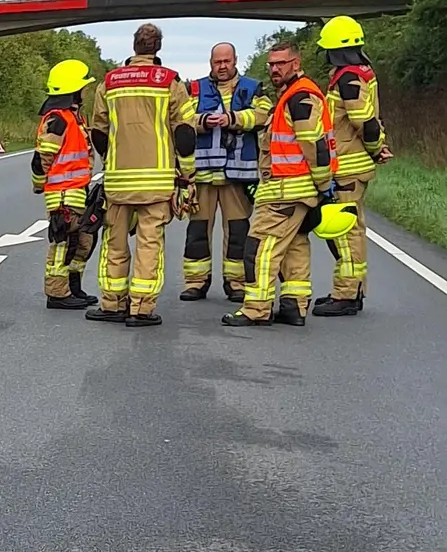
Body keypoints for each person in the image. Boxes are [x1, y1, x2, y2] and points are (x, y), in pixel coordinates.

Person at [84, 23, 198, 328]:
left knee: (115, 243)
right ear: (157, 48)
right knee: (150, 244)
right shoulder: (170, 82)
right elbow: (185, 133)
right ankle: (141, 309)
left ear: (134, 46)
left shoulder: (109, 83)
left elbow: (99, 132)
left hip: (119, 180)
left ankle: (111, 305)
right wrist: (186, 174)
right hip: (157, 182)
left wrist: (110, 160)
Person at [222, 39, 338, 327]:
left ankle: (256, 309)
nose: (274, 69)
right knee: (295, 246)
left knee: (260, 248)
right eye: (271, 64)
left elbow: (315, 145)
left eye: (280, 64)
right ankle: (293, 307)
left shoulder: (300, 97)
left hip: (286, 190)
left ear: (296, 64)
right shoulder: (291, 95)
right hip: (289, 189)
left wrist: (324, 187)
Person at [312, 15, 393, 317]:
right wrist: (377, 147)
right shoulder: (359, 73)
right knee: (353, 230)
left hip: (347, 166)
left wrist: (376, 148)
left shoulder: (347, 78)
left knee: (345, 232)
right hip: (352, 163)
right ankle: (352, 290)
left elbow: (363, 121)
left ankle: (346, 294)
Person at [182, 43, 271, 303]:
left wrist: (233, 119)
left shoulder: (253, 87)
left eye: (227, 61)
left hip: (238, 174)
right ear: (210, 62)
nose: (222, 66)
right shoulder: (195, 89)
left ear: (235, 61)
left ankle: (237, 283)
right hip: (203, 174)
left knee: (238, 231)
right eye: (217, 61)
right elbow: (180, 119)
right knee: (197, 232)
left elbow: (265, 115)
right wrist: (202, 122)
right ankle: (196, 282)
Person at [32, 59, 101, 309]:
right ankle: (57, 294)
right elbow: (41, 160)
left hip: (77, 191)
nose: (85, 91)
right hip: (63, 195)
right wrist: (40, 185)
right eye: (83, 87)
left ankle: (73, 287)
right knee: (63, 243)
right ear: (73, 90)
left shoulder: (73, 118)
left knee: (83, 242)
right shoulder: (58, 119)